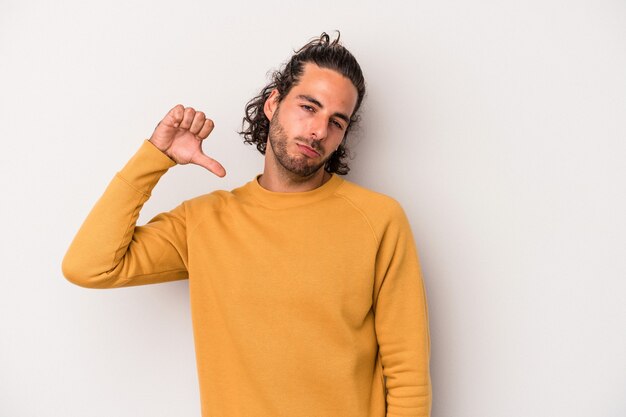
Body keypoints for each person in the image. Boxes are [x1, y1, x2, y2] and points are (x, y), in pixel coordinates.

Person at [62, 32, 432, 417]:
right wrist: (155, 157)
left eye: (336, 122)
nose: (319, 130)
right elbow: (90, 266)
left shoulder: (378, 219)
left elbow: (408, 376)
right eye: (309, 107)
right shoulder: (203, 221)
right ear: (273, 103)